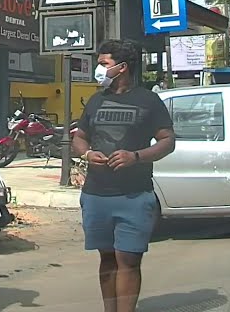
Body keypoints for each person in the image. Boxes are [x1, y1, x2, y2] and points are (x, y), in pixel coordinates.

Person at [72, 40, 177, 312]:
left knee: (128, 260)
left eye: (104, 64)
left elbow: (168, 141)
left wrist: (137, 156)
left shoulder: (148, 100)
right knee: (107, 259)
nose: (98, 69)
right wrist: (86, 154)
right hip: (96, 195)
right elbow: (79, 138)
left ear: (122, 68)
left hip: (134, 195)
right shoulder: (96, 100)